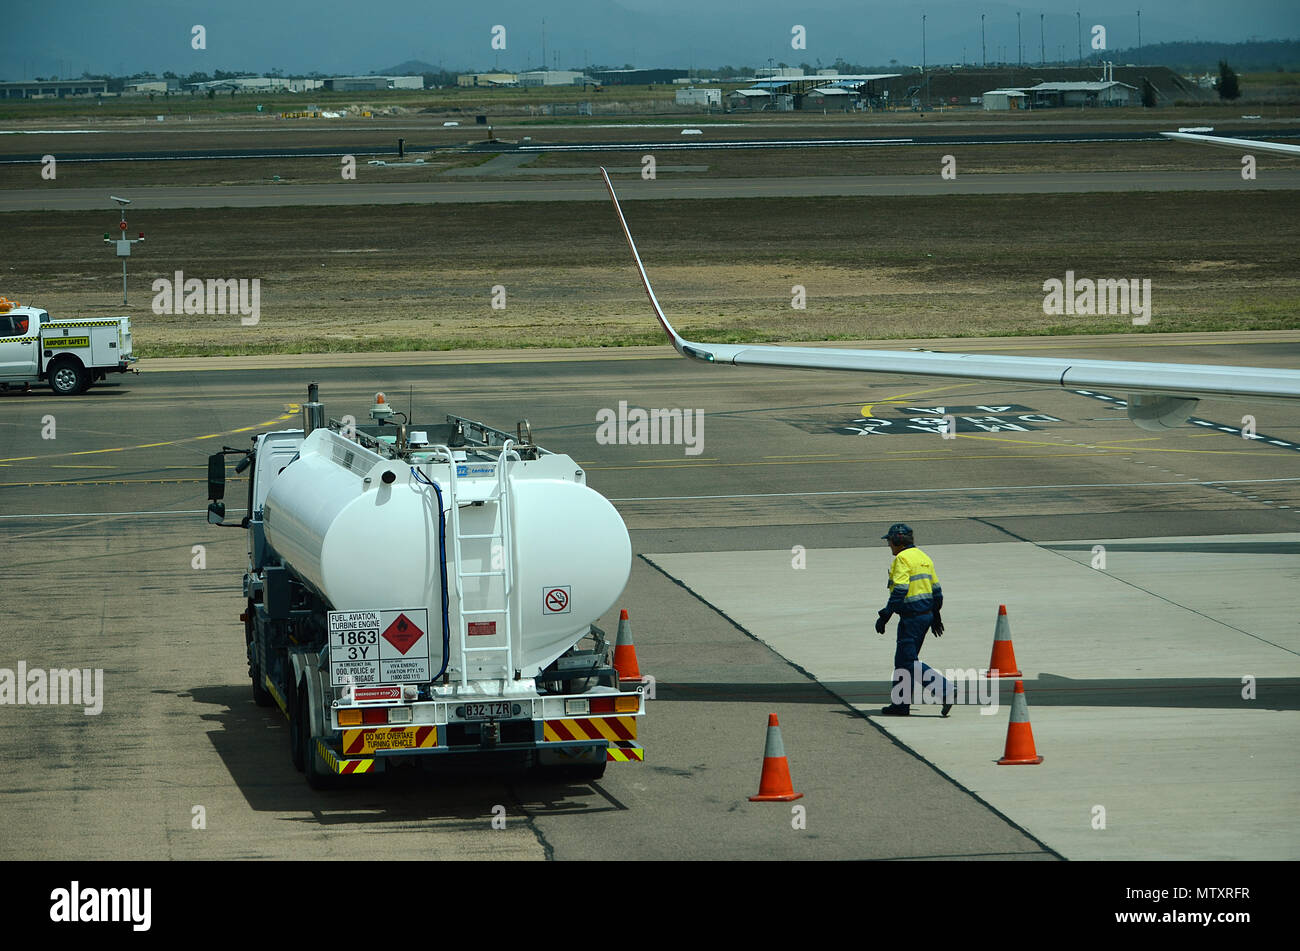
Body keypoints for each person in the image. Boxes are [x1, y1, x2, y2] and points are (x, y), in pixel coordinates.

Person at [874, 523, 953, 717]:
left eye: (890, 541)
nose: (889, 545)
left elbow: (900, 589)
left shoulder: (902, 559)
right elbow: (937, 591)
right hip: (925, 615)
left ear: (897, 542)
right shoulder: (923, 556)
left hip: (912, 618)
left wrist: (886, 614)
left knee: (908, 661)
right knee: (902, 661)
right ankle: (900, 705)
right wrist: (936, 615)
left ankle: (945, 689)